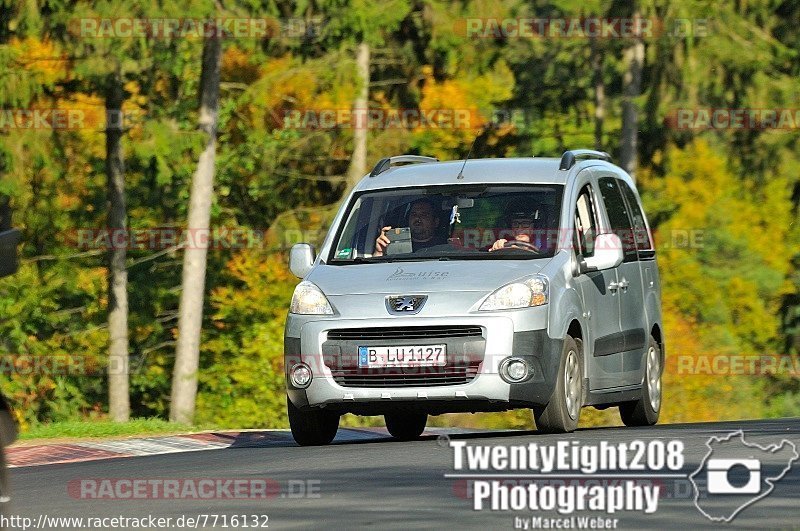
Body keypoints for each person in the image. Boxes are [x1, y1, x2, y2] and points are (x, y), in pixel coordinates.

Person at [374, 198, 444, 256]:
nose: (417, 218)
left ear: (435, 222)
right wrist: (379, 252)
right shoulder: (393, 245)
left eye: (424, 215)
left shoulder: (446, 248)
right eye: (414, 214)